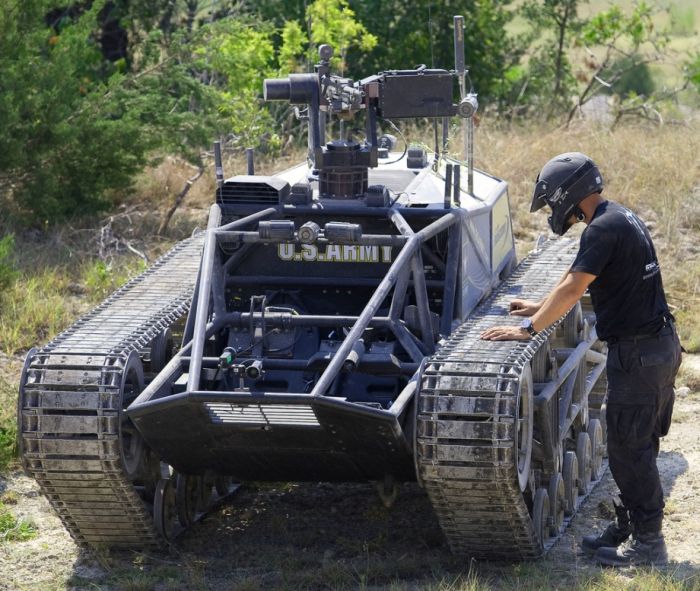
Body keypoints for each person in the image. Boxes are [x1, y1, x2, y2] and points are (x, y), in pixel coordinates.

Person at [480, 152, 682, 567]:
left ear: (567, 194)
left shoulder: (601, 230)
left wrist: (530, 327)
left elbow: (573, 288)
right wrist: (540, 305)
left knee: (629, 449)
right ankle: (630, 528)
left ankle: (649, 546)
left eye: (553, 202)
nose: (555, 211)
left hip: (639, 354)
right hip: (656, 348)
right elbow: (594, 282)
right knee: (635, 445)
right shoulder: (619, 217)